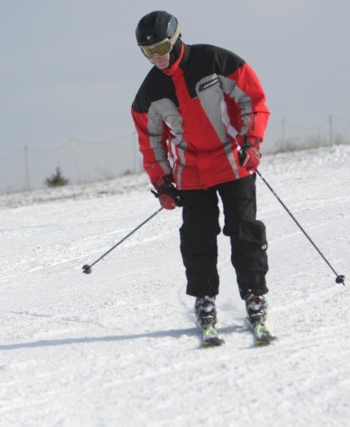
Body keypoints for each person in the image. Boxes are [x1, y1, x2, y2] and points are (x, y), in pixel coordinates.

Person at [131, 11, 274, 345]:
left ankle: (254, 294)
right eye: (148, 52)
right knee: (197, 237)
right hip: (190, 174)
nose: (158, 57)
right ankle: (204, 298)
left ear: (177, 37)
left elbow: (252, 99)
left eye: (162, 47)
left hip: (232, 162)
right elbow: (151, 142)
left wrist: (251, 141)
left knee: (244, 229)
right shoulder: (148, 93)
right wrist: (162, 182)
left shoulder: (214, 60)